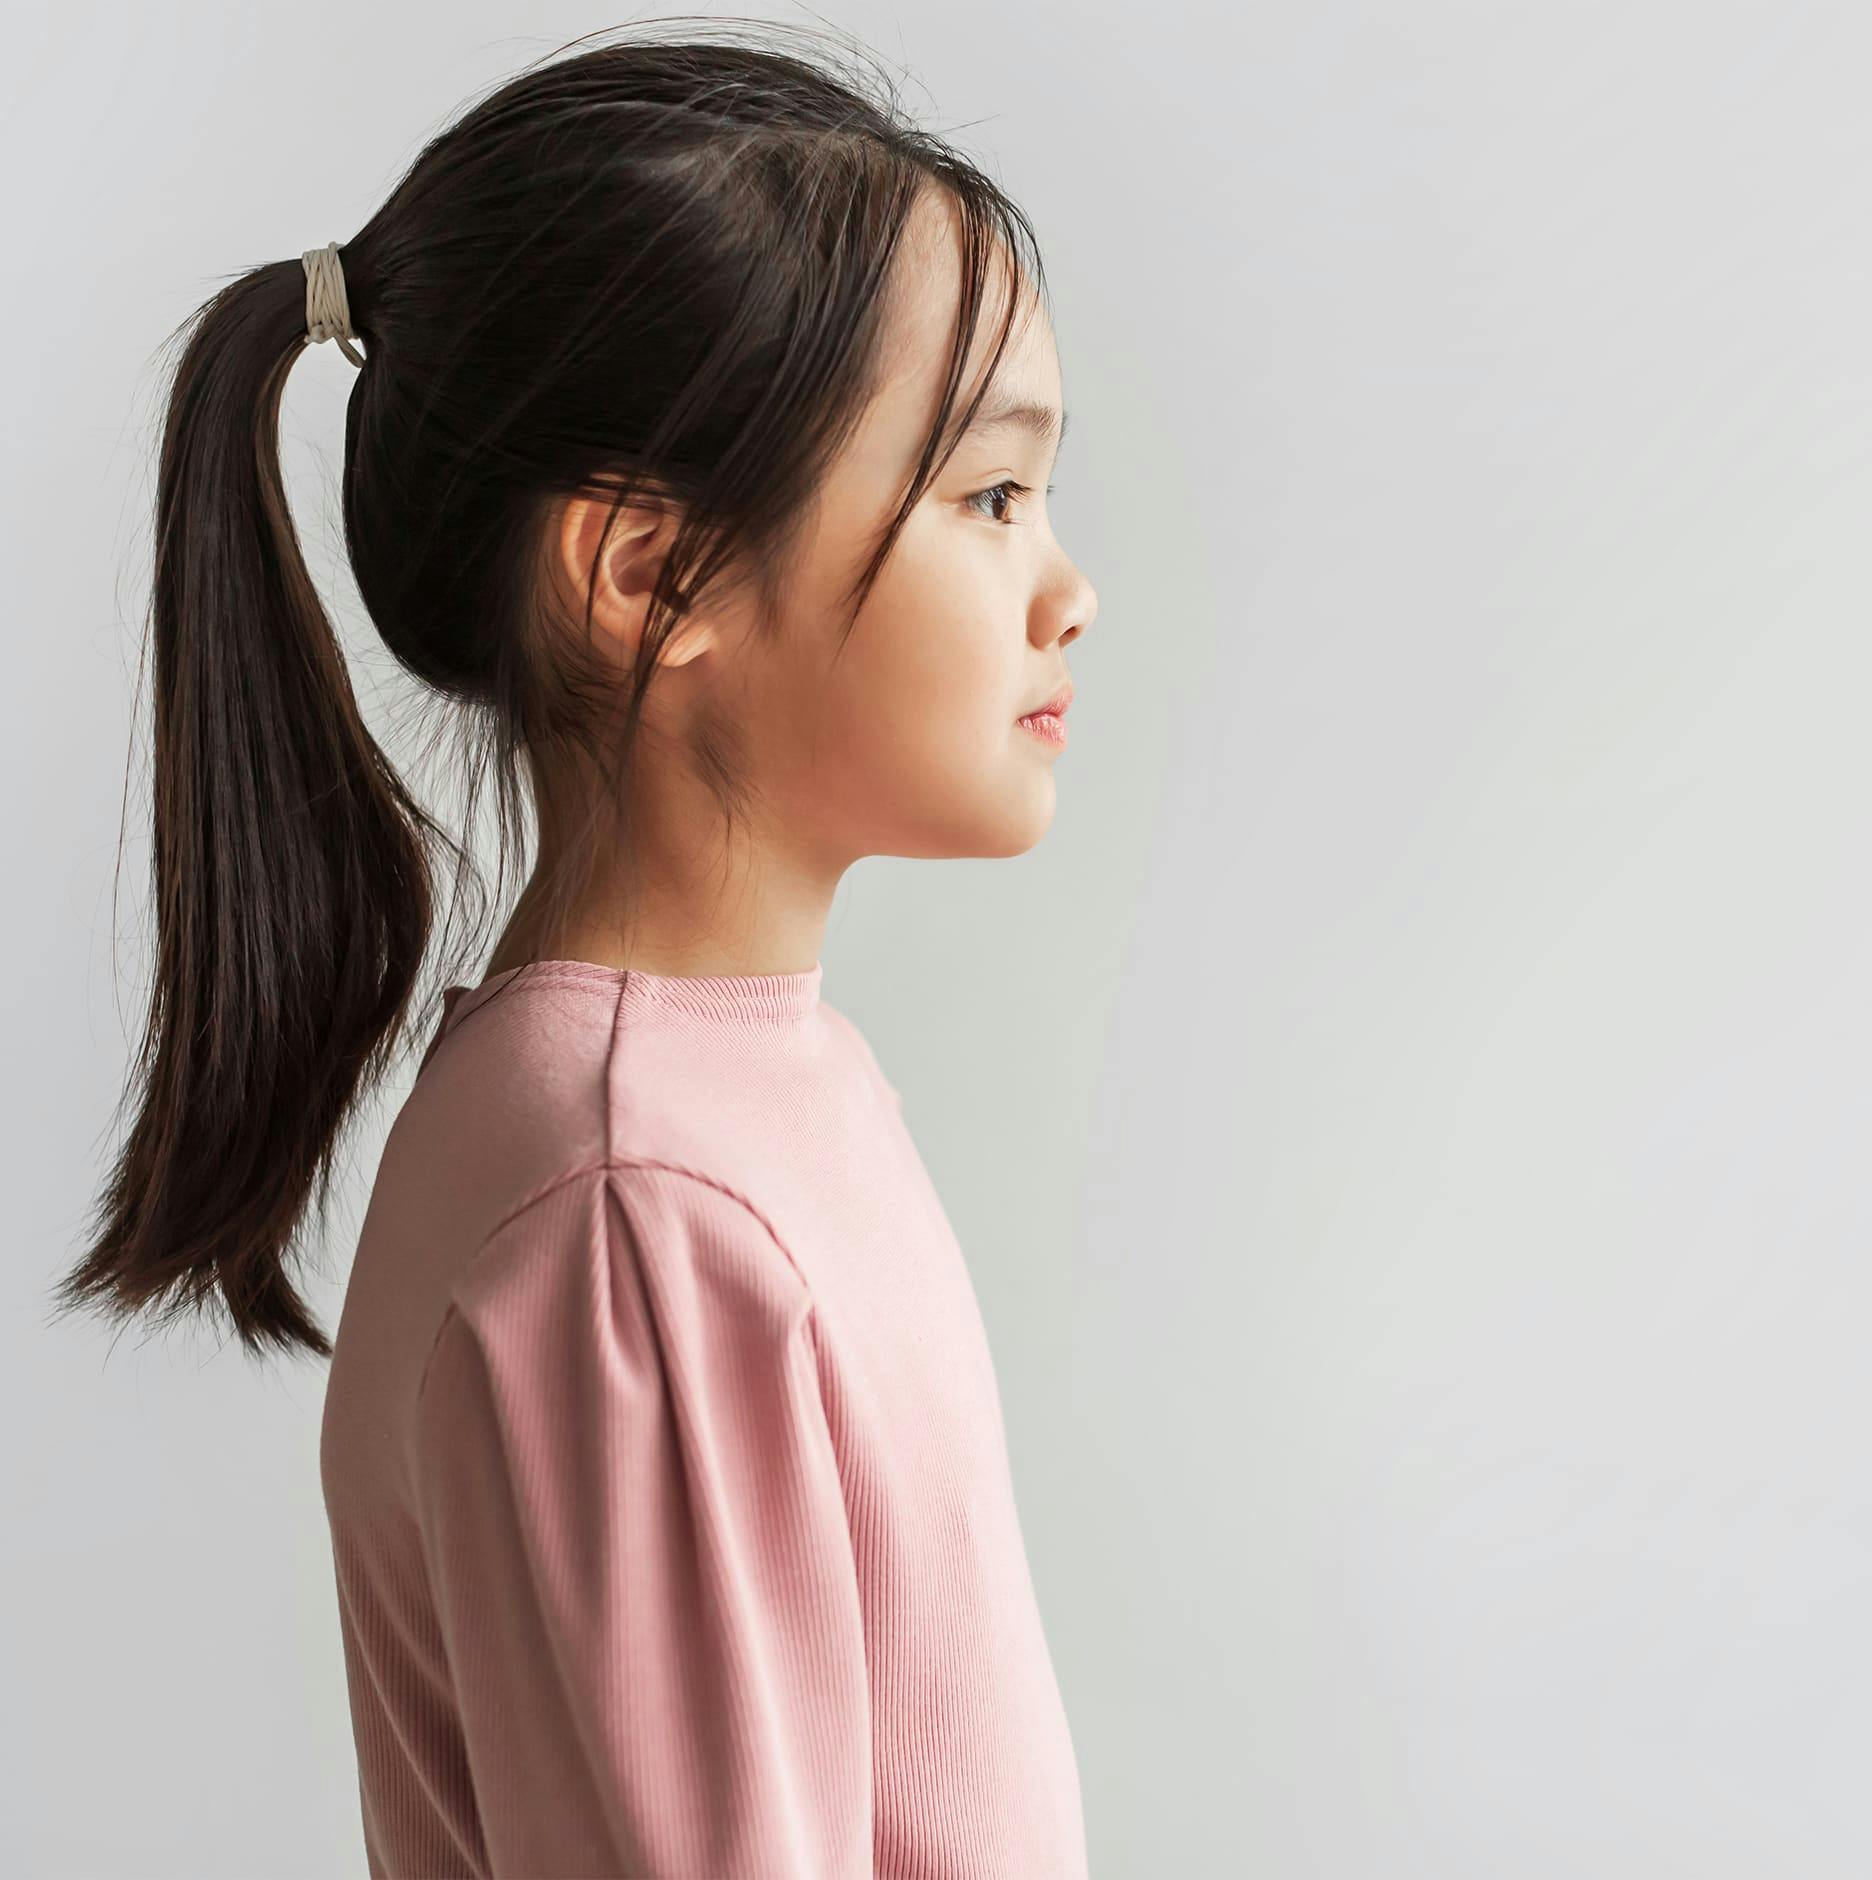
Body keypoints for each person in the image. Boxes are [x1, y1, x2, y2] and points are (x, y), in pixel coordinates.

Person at [56, 20, 1096, 1878]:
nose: (1066, 585)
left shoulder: (711, 1107)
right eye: (987, 497)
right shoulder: (633, 1207)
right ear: (649, 577)